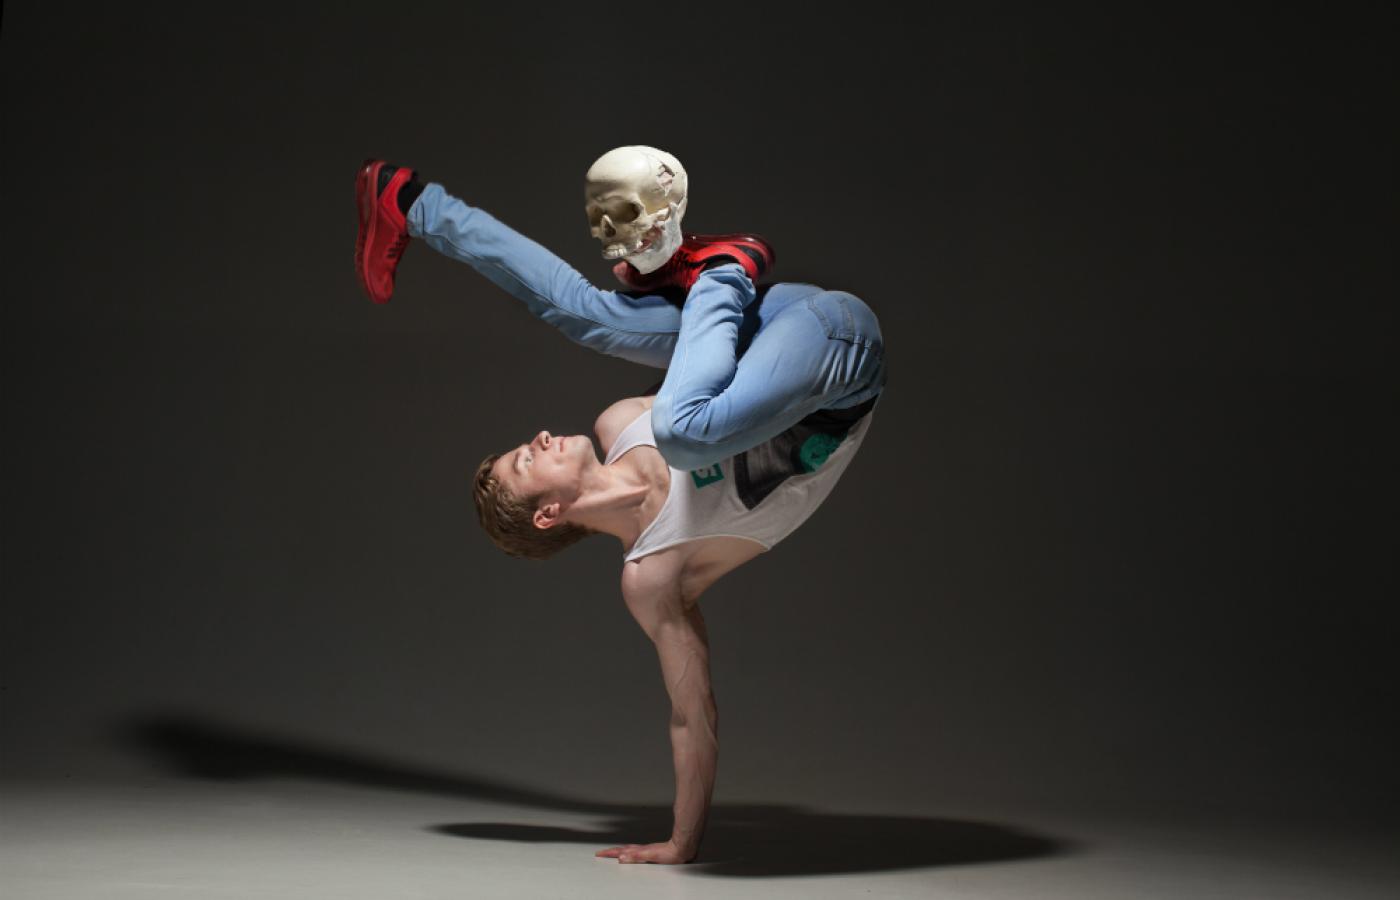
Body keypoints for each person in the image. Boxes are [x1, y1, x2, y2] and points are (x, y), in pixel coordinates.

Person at [354, 157, 887, 863]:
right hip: (843, 358)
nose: (539, 437)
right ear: (548, 514)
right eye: (527, 460)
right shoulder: (652, 576)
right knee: (685, 432)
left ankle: (412, 203)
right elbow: (692, 714)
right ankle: (712, 271)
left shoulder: (617, 423)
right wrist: (682, 841)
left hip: (777, 316)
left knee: (586, 316)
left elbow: (713, 367)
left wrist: (673, 297)